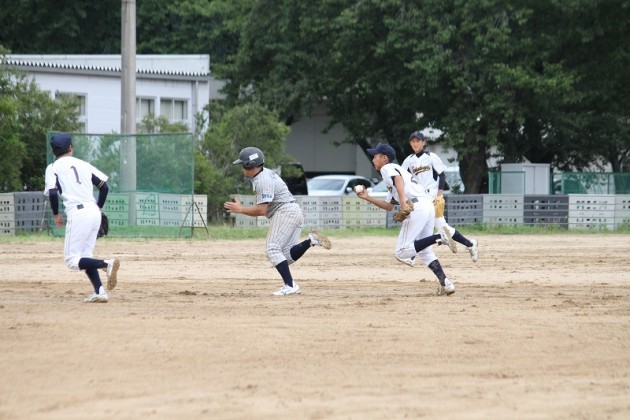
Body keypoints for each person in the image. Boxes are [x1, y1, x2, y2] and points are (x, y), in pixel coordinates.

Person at [224, 147, 331, 296]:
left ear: (250, 164)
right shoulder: (263, 174)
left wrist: (241, 209)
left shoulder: (263, 180)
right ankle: (310, 241)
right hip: (292, 211)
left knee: (272, 249)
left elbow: (262, 210)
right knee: (284, 256)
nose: (242, 167)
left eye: (243, 164)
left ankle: (290, 285)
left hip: (286, 212)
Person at [356, 143, 456, 295]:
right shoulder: (396, 173)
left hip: (417, 207)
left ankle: (440, 236)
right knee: (425, 252)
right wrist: (367, 197)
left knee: (402, 251)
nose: (373, 159)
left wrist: (403, 203)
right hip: (426, 206)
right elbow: (389, 206)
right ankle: (446, 283)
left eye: (375, 156)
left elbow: (398, 179)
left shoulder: (387, 168)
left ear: (385, 158)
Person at [44, 133, 120, 303]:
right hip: (93, 211)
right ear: (70, 147)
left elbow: (53, 192)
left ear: (53, 151)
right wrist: (97, 208)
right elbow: (104, 188)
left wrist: (56, 214)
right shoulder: (83, 164)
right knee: (85, 255)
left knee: (72, 260)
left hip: (78, 213)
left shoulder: (53, 167)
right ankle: (100, 292)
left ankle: (106, 264)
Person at [399, 131, 479, 266]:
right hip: (419, 198)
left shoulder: (431, 157)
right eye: (412, 141)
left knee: (433, 226)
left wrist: (439, 195)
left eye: (418, 141)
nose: (415, 143)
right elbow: (401, 179)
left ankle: (412, 256)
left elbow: (441, 176)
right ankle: (470, 244)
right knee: (437, 226)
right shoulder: (408, 161)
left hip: (431, 197)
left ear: (423, 142)